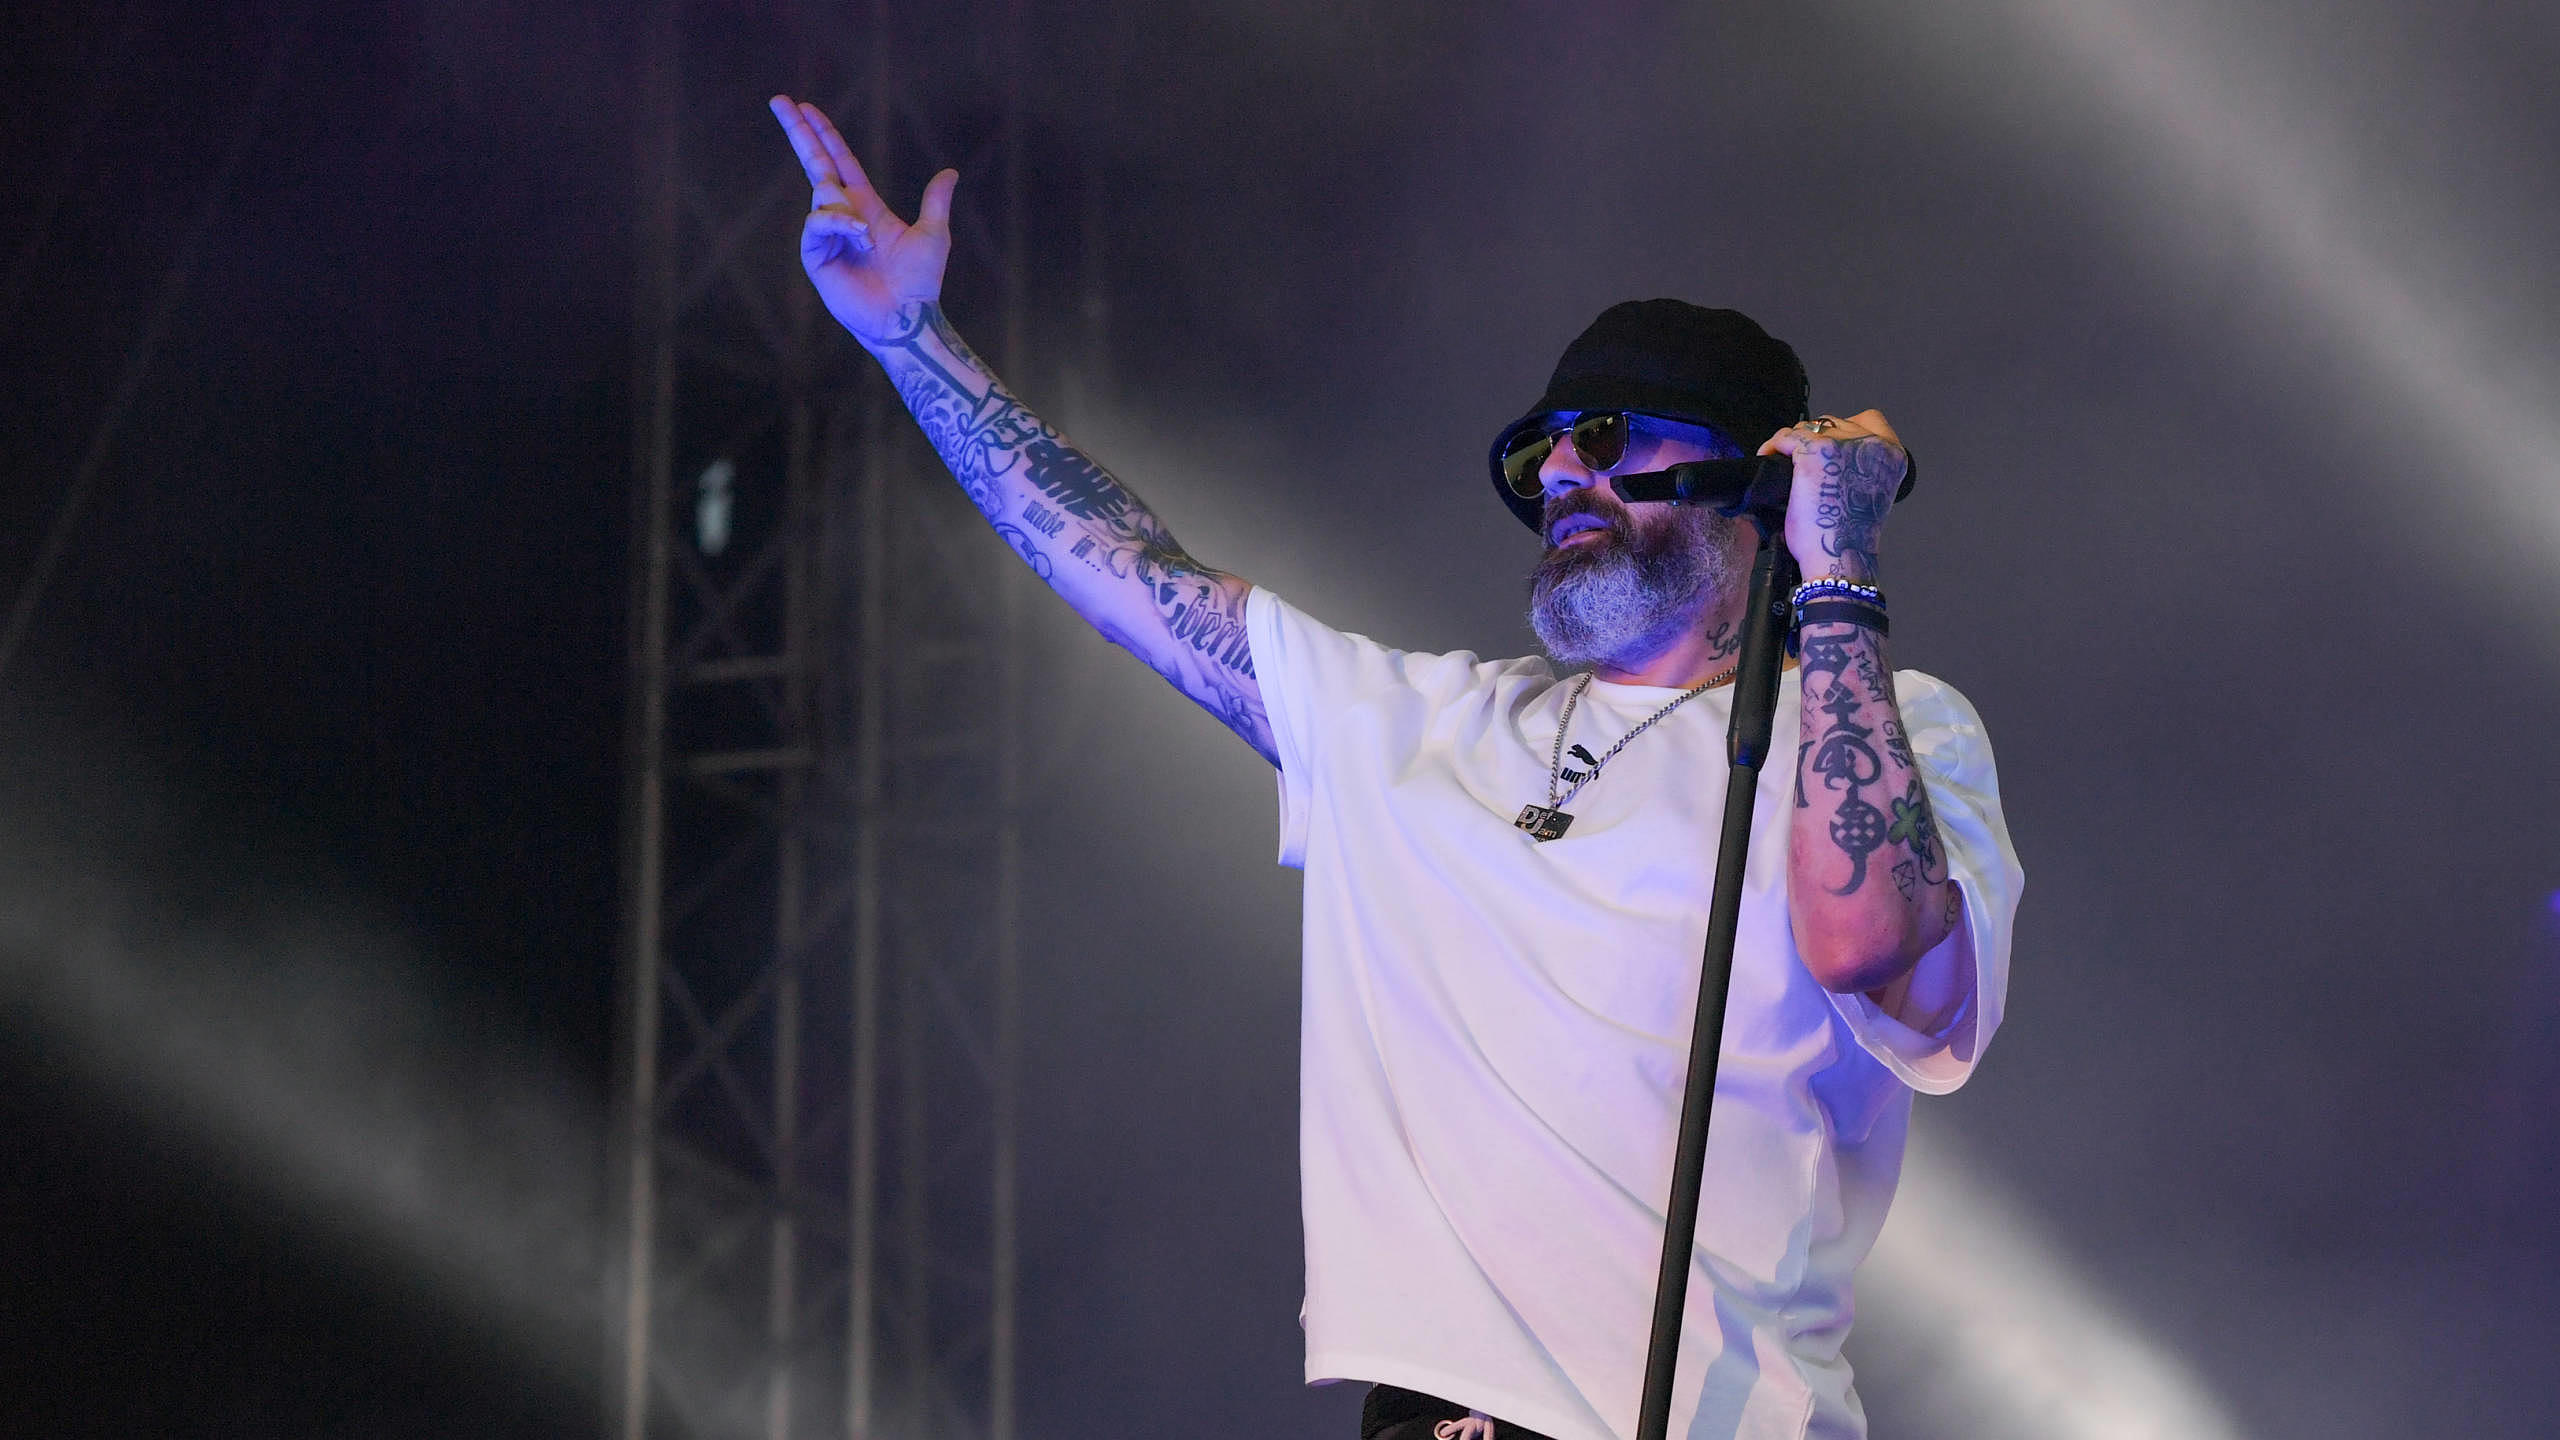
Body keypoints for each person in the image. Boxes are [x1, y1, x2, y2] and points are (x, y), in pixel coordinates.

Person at [768, 94, 2023, 1440]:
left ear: (1750, 482)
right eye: (1542, 452)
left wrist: (1837, 571)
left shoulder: (1890, 726)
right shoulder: (1424, 724)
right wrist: (912, 340)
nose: (1561, 475)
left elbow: (1866, 941)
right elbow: (1133, 574)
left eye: (1608, 439)